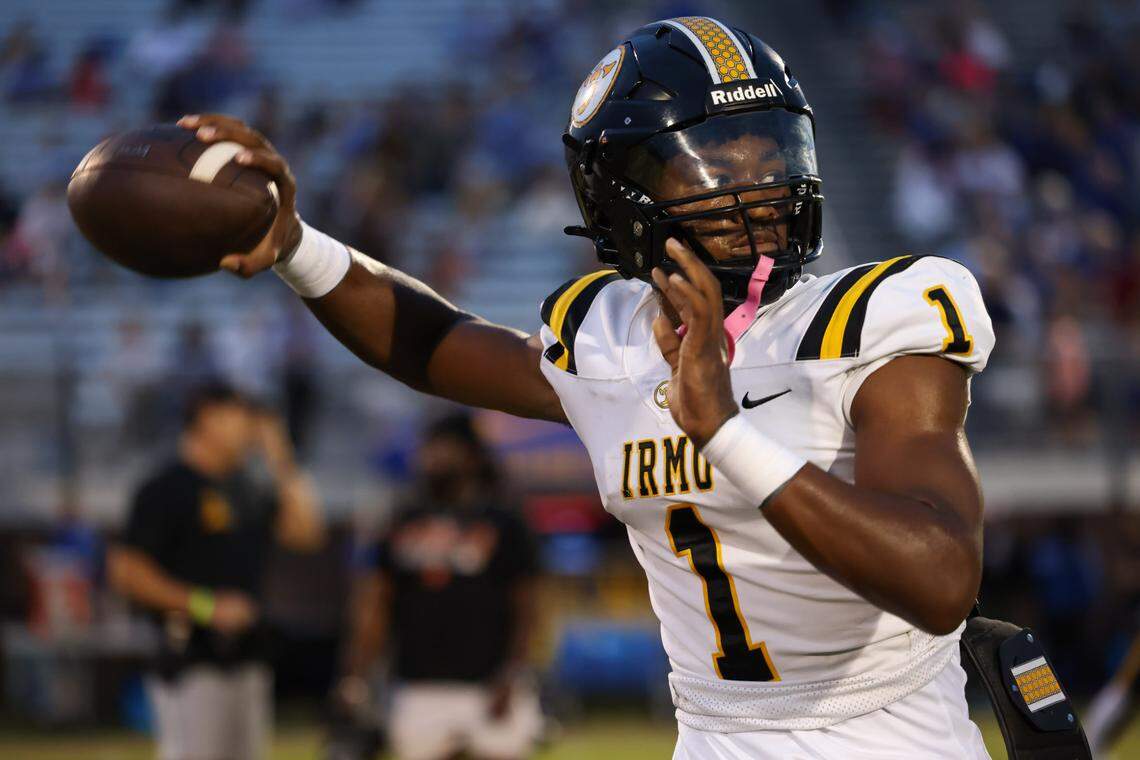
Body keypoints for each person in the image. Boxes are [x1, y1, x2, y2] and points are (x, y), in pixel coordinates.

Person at [178, 15, 997, 758]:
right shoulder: (603, 337)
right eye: (716, 161)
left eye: (770, 149)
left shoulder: (876, 319)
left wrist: (724, 432)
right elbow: (432, 342)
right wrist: (294, 244)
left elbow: (940, 582)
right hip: (711, 737)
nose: (764, 188)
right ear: (619, 193)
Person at [108, 382, 324, 760]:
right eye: (242, 417)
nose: (250, 429)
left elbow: (307, 534)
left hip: (247, 658)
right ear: (209, 417)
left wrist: (281, 458)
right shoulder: (166, 488)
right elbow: (126, 572)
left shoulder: (249, 488)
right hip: (191, 660)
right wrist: (205, 606)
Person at [336, 413, 540, 760]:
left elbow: (528, 605)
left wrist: (515, 670)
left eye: (444, 447)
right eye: (429, 447)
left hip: (490, 687)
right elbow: (376, 603)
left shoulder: (504, 521)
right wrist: (356, 675)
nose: (432, 457)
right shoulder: (400, 519)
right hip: (418, 687)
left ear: (472, 457)